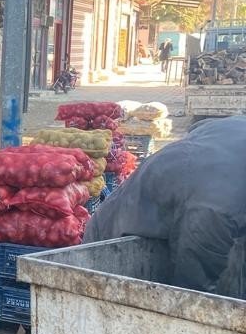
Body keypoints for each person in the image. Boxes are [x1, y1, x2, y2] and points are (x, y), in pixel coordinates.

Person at [84, 116, 246, 299]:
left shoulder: (239, 127)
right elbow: (193, 289)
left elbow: (198, 127)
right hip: (114, 251)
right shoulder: (218, 205)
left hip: (170, 228)